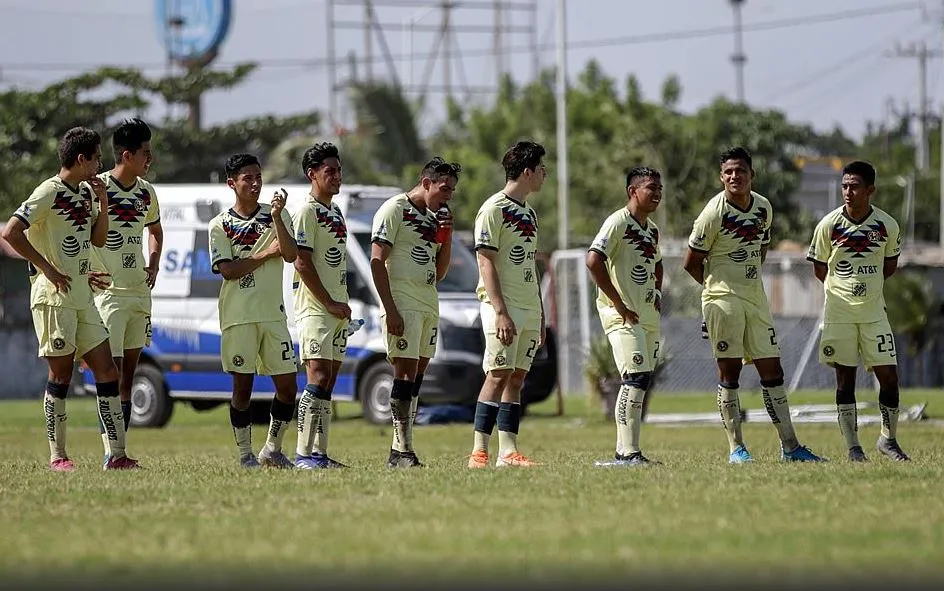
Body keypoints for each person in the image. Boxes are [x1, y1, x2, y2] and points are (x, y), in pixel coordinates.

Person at [1, 127, 137, 470]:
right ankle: (58, 456)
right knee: (61, 375)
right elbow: (11, 233)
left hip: (83, 297)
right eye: (97, 159)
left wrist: (104, 202)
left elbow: (99, 240)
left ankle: (116, 455)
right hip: (53, 298)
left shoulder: (88, 193)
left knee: (107, 371)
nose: (100, 165)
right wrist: (46, 268)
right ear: (82, 159)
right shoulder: (48, 191)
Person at [682, 146, 826, 463]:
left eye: (741, 171)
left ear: (752, 174)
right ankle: (736, 448)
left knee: (772, 370)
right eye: (729, 172)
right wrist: (715, 290)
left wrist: (748, 278)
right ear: (721, 177)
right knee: (729, 371)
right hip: (723, 299)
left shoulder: (763, 208)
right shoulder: (713, 213)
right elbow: (691, 262)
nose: (735, 176)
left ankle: (791, 447)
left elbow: (761, 248)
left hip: (756, 299)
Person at [807, 160, 909, 462]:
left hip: (875, 313)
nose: (848, 192)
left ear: (870, 190)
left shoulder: (887, 225)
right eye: (844, 186)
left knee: (889, 377)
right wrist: (844, 290)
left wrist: (866, 288)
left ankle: (888, 440)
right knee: (844, 380)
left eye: (854, 187)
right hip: (839, 315)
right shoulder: (828, 225)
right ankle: (853, 447)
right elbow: (819, 268)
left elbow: (888, 266)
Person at [208, 153, 299, 468]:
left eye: (258, 176)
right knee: (242, 388)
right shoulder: (219, 224)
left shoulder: (276, 216)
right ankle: (245, 454)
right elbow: (229, 270)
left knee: (288, 387)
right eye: (248, 177)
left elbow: (289, 255)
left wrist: (276, 218)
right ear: (232, 183)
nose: (255, 183)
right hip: (238, 316)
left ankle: (272, 449)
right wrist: (264, 254)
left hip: (273, 315)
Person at [370, 157, 460, 468]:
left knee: (418, 377)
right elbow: (376, 261)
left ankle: (401, 450)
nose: (448, 196)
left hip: (427, 302)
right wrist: (390, 309)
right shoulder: (395, 208)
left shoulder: (436, 218)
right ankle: (402, 449)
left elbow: (439, 271)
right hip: (403, 302)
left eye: (452, 191)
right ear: (426, 183)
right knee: (404, 374)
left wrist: (447, 238)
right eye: (444, 189)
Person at [467, 140, 547, 468]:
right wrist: (500, 311)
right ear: (527, 171)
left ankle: (508, 452)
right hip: (502, 307)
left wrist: (539, 314)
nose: (545, 174)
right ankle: (478, 451)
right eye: (542, 168)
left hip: (529, 307)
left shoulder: (529, 213)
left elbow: (528, 264)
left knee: (517, 378)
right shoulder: (493, 209)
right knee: (497, 374)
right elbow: (485, 261)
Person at [87, 118, 163, 436]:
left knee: (129, 375)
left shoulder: (147, 193)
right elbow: (77, 234)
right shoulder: (96, 187)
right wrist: (83, 270)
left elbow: (156, 230)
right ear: (127, 155)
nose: (150, 158)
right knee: (111, 372)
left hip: (138, 292)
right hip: (109, 294)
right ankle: (110, 447)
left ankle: (120, 447)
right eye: (145, 152)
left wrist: (154, 264)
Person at [586, 166, 664, 466]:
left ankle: (627, 451)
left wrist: (657, 293)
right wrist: (617, 303)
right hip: (622, 316)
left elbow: (657, 264)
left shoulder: (651, 229)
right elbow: (593, 260)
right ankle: (626, 453)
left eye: (659, 188)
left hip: (646, 316)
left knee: (641, 379)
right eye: (650, 188)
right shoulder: (618, 222)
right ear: (633, 191)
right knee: (634, 377)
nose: (656, 193)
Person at [291, 142, 352, 469]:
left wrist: (342, 301)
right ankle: (302, 454)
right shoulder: (306, 211)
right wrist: (328, 301)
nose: (337, 176)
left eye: (339, 170)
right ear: (311, 174)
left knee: (329, 378)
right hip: (315, 308)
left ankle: (320, 454)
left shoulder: (335, 212)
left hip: (336, 309)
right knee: (316, 375)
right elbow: (302, 263)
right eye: (330, 171)